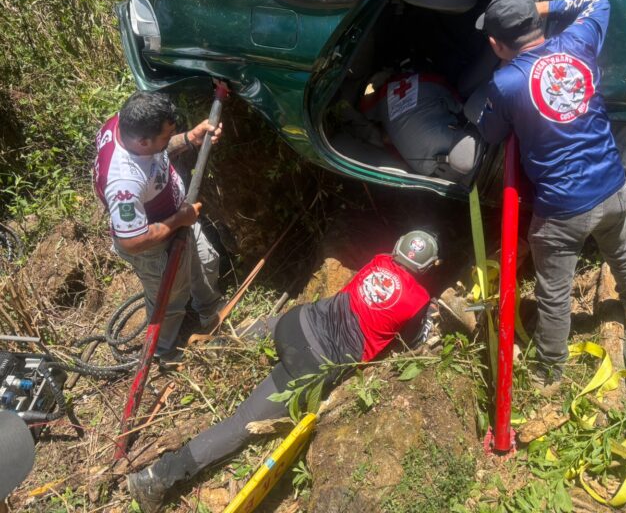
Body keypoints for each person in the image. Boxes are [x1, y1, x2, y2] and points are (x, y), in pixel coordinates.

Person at [127, 231, 439, 512]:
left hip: (296, 322)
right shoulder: (419, 300)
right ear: (429, 267)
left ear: (396, 249)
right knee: (241, 423)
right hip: (312, 359)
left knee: (261, 330)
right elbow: (412, 342)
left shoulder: (380, 260)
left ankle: (206, 348)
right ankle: (156, 478)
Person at [475, 0, 626, 391]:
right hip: (613, 188)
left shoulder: (505, 82)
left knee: (553, 293)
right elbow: (600, 3)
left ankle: (550, 371)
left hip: (562, 212)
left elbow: (490, 132)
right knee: (621, 250)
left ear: (496, 45)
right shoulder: (578, 42)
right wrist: (543, 8)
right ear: (536, 25)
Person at [93, 91, 224, 358]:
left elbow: (159, 152)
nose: (169, 140)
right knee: (170, 300)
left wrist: (190, 138)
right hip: (154, 243)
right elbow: (133, 241)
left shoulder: (124, 122)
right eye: (166, 137)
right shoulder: (124, 183)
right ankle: (163, 351)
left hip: (176, 214)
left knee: (206, 261)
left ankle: (209, 310)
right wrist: (179, 220)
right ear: (142, 141)